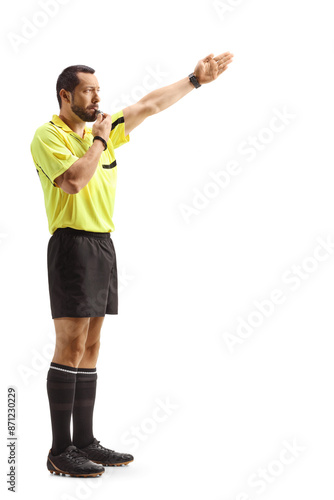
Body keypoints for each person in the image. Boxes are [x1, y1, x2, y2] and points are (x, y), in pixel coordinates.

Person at [30, 52, 234, 478]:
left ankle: (83, 441)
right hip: (71, 244)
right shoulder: (48, 136)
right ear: (66, 95)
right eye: (89, 90)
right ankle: (58, 450)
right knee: (70, 344)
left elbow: (149, 105)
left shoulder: (100, 129)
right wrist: (100, 141)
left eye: (98, 90)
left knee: (92, 346)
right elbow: (73, 182)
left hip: (103, 245)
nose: (97, 97)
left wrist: (194, 80)